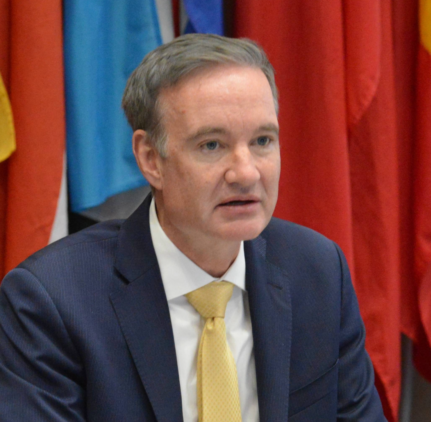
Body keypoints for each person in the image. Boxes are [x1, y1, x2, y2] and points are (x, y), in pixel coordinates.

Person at [0, 34, 385, 422]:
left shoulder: (318, 273)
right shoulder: (52, 300)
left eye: (262, 140)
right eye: (212, 145)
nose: (246, 173)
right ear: (151, 159)